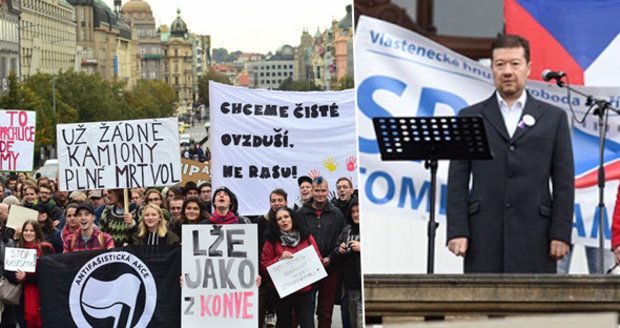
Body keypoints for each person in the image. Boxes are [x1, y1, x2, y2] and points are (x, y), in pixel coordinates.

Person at [446, 34, 574, 273]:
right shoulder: (470, 117)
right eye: (500, 64)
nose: (507, 71)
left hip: (537, 235)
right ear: (491, 68)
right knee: (482, 306)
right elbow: (457, 179)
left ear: (528, 67)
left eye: (515, 64)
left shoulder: (553, 118)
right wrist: (458, 230)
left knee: (534, 309)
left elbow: (564, 182)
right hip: (483, 233)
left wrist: (560, 233)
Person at [261, 206, 321, 328]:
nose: (283, 220)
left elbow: (318, 259)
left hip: (304, 292)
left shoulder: (307, 237)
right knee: (284, 324)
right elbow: (264, 267)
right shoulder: (271, 241)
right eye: (279, 219)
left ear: (292, 218)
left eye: (286, 217)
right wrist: (279, 259)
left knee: (308, 324)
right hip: (282, 293)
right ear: (275, 223)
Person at [297, 177, 345, 328]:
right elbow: (297, 239)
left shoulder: (337, 214)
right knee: (305, 309)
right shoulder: (301, 213)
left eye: (323, 190)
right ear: (311, 191)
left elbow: (341, 238)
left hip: (330, 268)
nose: (320, 194)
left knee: (325, 310)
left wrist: (331, 257)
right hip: (307, 269)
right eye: (316, 190)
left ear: (327, 191)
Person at [8, 220, 54, 328]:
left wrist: (26, 277)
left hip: (41, 297)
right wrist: (17, 277)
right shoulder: (17, 249)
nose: (28, 233)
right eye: (26, 230)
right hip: (21, 298)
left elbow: (48, 274)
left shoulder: (45, 248)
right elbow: (8, 272)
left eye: (32, 231)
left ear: (37, 232)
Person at [335, 198, 362, 328]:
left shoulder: (372, 227)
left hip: (364, 286)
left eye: (359, 211)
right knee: (350, 322)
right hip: (348, 286)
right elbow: (336, 248)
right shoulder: (347, 229)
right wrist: (339, 250)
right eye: (353, 212)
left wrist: (363, 248)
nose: (356, 214)